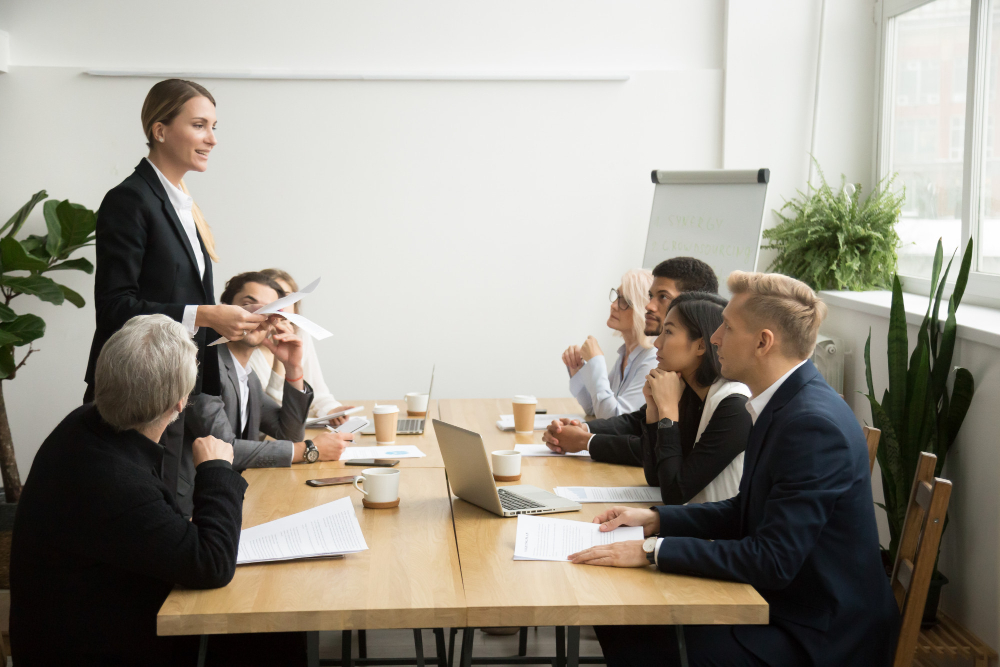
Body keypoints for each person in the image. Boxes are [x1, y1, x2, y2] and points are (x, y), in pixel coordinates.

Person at [568, 272, 898, 667]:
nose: (716, 337)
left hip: (819, 634)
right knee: (626, 614)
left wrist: (652, 550)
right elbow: (747, 509)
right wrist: (656, 520)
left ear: (763, 342)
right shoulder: (784, 403)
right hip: (788, 607)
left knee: (633, 619)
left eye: (728, 326)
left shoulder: (812, 425)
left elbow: (772, 560)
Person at [10, 315, 247, 666]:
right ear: (180, 402)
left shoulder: (82, 424)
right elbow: (212, 564)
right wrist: (215, 470)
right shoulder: (115, 482)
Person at [85, 79, 267, 500]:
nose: (212, 139)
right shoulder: (129, 200)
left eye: (215, 127)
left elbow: (180, 293)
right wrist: (206, 315)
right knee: (142, 514)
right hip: (138, 393)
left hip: (178, 388)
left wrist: (230, 322)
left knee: (174, 508)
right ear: (160, 130)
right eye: (200, 125)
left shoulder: (184, 205)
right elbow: (114, 306)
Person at [547, 293, 752, 504]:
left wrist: (668, 413)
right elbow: (656, 478)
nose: (657, 343)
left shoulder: (735, 406)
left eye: (669, 332)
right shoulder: (691, 394)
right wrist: (654, 411)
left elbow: (674, 493)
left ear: (701, 346)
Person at [181, 272, 354, 511]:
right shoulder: (204, 367)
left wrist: (292, 367)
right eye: (248, 305)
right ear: (225, 311)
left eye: (270, 310)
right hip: (194, 504)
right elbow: (225, 448)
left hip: (237, 495)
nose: (259, 316)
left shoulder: (247, 376)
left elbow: (289, 433)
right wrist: (309, 450)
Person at [546, 257, 719, 465]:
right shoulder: (677, 372)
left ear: (694, 304)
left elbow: (658, 455)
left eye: (662, 297)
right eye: (650, 296)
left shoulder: (719, 396)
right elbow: (635, 421)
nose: (649, 306)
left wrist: (586, 440)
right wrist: (583, 429)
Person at [247, 268, 355, 424]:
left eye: (287, 298)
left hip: (298, 429)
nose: (281, 306)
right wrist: (280, 361)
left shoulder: (301, 335)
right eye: (275, 298)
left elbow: (318, 392)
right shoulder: (247, 346)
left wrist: (332, 410)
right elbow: (271, 414)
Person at [561, 269, 657, 418]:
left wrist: (596, 362)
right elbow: (595, 409)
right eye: (617, 296)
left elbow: (615, 419)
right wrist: (577, 368)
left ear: (642, 310)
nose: (613, 305)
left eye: (625, 301)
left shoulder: (652, 360)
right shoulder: (626, 353)